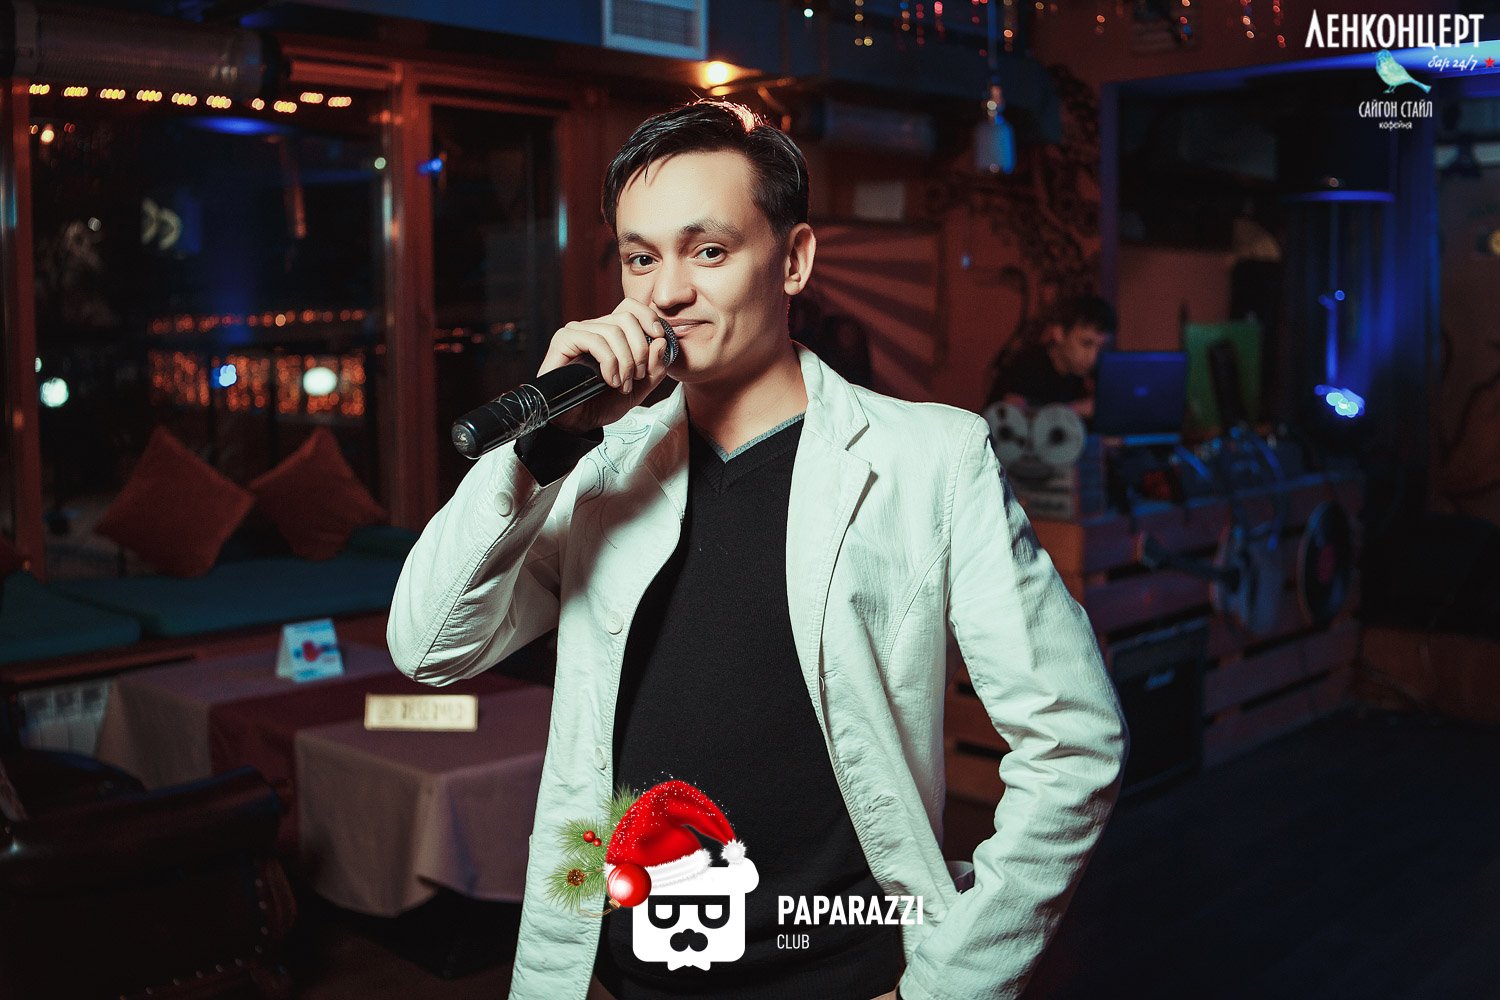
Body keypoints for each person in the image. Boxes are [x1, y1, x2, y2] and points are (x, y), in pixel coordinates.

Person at [388, 100, 1126, 1000]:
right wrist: (540, 449)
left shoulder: (930, 460)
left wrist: (951, 986)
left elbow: (1073, 741)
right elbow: (428, 647)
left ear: (795, 260)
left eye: (708, 251)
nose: (665, 293)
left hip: (843, 976)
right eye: (640, 258)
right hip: (618, 977)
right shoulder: (597, 465)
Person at [985, 295, 1116, 420]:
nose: (1093, 357)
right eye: (1086, 343)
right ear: (1059, 333)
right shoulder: (1026, 364)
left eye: (1102, 347)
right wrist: (1074, 410)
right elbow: (1011, 417)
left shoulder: (1082, 375)